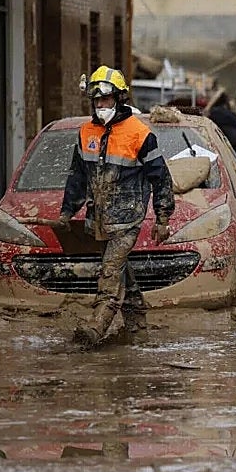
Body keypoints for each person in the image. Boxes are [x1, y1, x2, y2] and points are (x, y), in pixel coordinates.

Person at [56, 66, 175, 347]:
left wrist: (162, 217)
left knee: (109, 272)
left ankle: (95, 328)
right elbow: (77, 176)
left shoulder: (139, 133)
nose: (101, 106)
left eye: (106, 100)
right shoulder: (86, 133)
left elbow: (161, 177)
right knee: (122, 273)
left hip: (127, 220)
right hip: (98, 220)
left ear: (119, 99)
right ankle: (136, 324)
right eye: (96, 101)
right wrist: (66, 212)